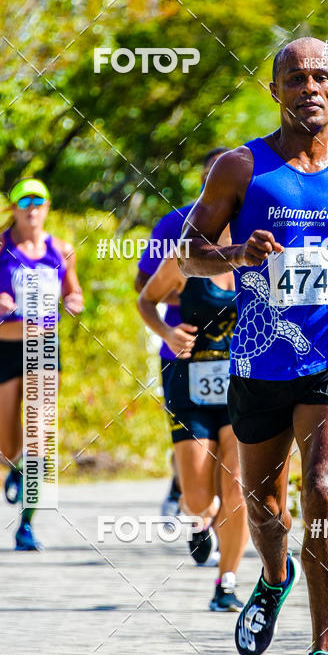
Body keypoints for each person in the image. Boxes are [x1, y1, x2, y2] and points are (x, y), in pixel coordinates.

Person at [178, 37, 328, 655]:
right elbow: (189, 255)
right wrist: (236, 253)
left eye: (321, 76)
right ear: (274, 90)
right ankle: (272, 578)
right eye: (294, 77)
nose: (309, 86)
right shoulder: (239, 167)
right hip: (258, 359)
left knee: (326, 489)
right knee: (263, 503)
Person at [0, 178, 83, 550]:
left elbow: (75, 292)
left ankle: (26, 524)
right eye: (24, 202)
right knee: (10, 445)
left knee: (39, 438)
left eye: (39, 202)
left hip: (43, 350)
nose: (32, 208)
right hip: (3, 349)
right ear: (13, 209)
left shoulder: (61, 250)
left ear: (47, 207)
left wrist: (74, 303)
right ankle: (17, 467)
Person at [136, 214, 249, 612]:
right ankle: (206, 514)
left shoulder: (265, 253)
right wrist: (167, 333)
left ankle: (227, 582)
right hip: (190, 384)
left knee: (237, 487)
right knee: (200, 500)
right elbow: (145, 298)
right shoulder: (187, 255)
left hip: (246, 387)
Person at [135, 148, 229, 529]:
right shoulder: (174, 224)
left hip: (237, 360)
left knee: (235, 469)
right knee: (198, 477)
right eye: (209, 175)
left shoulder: (253, 226)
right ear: (202, 179)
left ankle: (229, 567)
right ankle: (193, 498)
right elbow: (144, 285)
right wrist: (188, 294)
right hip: (184, 354)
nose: (215, 183)